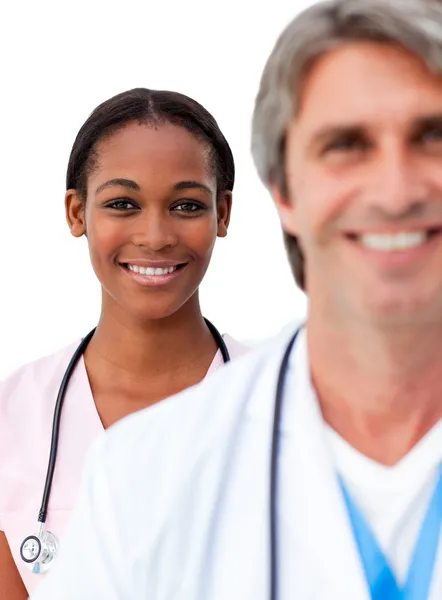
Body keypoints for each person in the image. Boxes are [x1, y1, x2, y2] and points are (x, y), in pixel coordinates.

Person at [31, 0, 442, 598]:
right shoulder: (141, 476)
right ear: (284, 189)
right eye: (346, 144)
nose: (395, 188)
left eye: (433, 136)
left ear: (224, 211)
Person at [0, 87, 248, 599]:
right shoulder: (12, 418)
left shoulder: (290, 407)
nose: (155, 236)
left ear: (222, 214)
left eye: (186, 204)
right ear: (77, 213)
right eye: (122, 204)